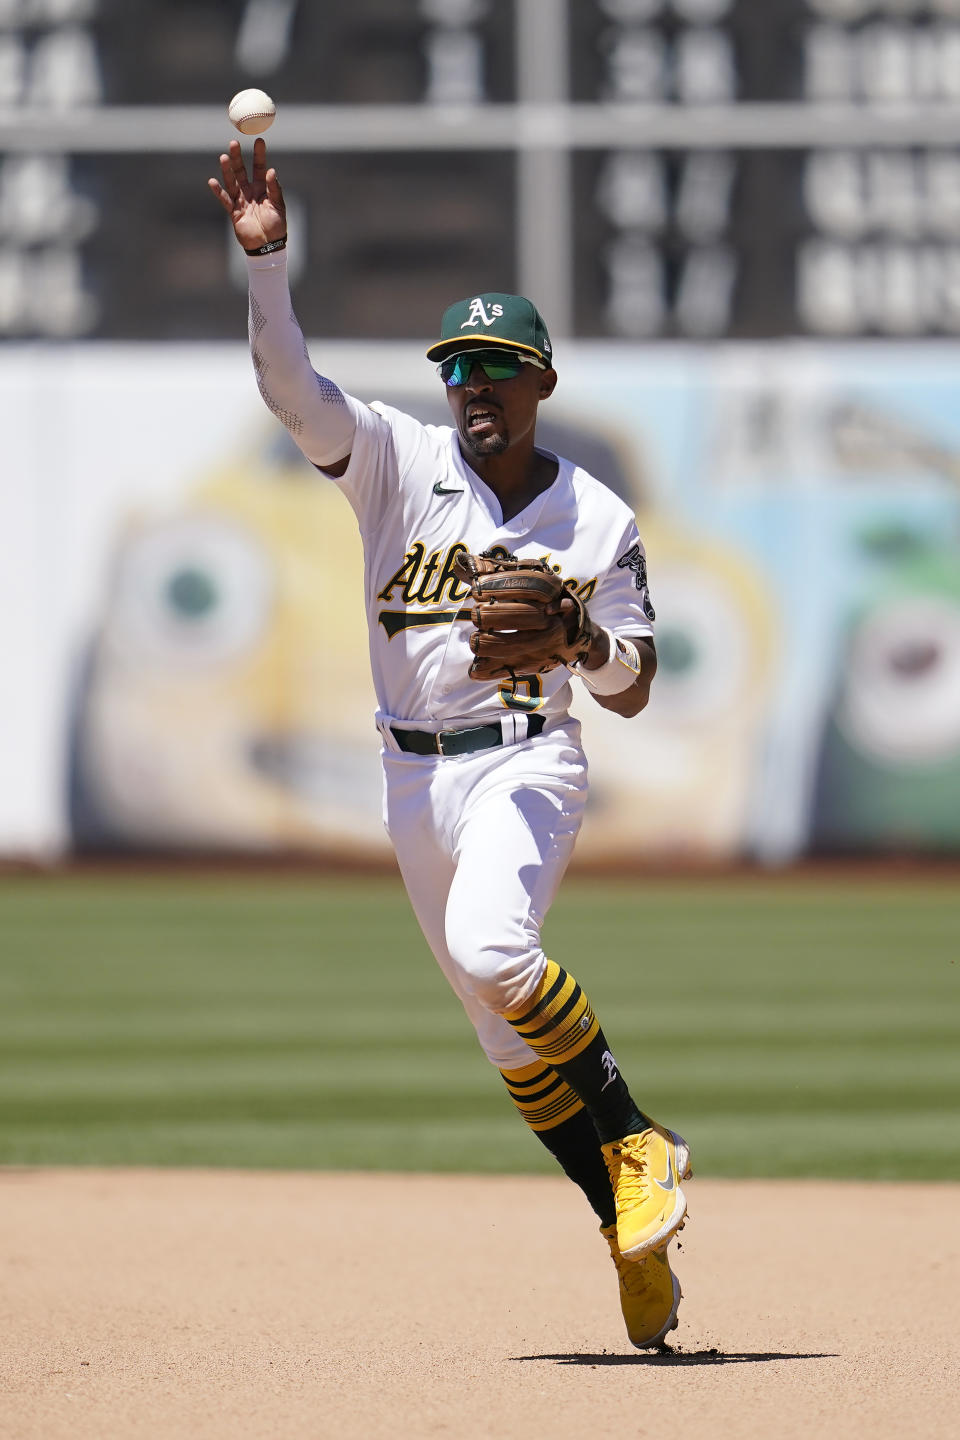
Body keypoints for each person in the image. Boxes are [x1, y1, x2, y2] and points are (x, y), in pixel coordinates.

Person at [209, 138, 692, 1349]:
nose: (473, 383)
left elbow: (634, 688)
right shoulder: (394, 460)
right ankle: (624, 1232)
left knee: (492, 947)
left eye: (497, 366)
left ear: (540, 383)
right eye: (459, 364)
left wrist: (582, 637)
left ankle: (639, 1139)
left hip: (528, 754)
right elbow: (291, 391)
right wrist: (267, 266)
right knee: (499, 1032)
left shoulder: (598, 517)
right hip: (409, 776)